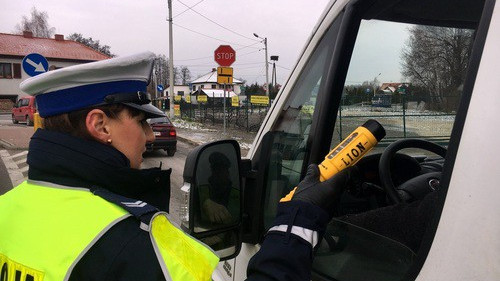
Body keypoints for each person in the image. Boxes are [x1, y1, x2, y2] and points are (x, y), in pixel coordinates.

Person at [0, 51, 351, 281]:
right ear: (100, 125)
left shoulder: (8, 208)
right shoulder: (139, 244)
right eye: (140, 122)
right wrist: (294, 226)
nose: (150, 137)